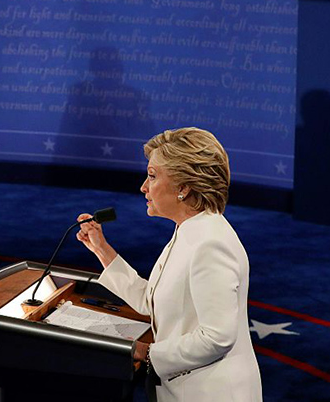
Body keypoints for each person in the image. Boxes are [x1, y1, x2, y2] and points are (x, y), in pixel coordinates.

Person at [76, 127, 262, 402]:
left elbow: (217, 337)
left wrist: (149, 353)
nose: (143, 187)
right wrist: (102, 250)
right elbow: (153, 300)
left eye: (152, 176)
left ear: (183, 188)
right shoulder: (189, 230)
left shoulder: (210, 244)